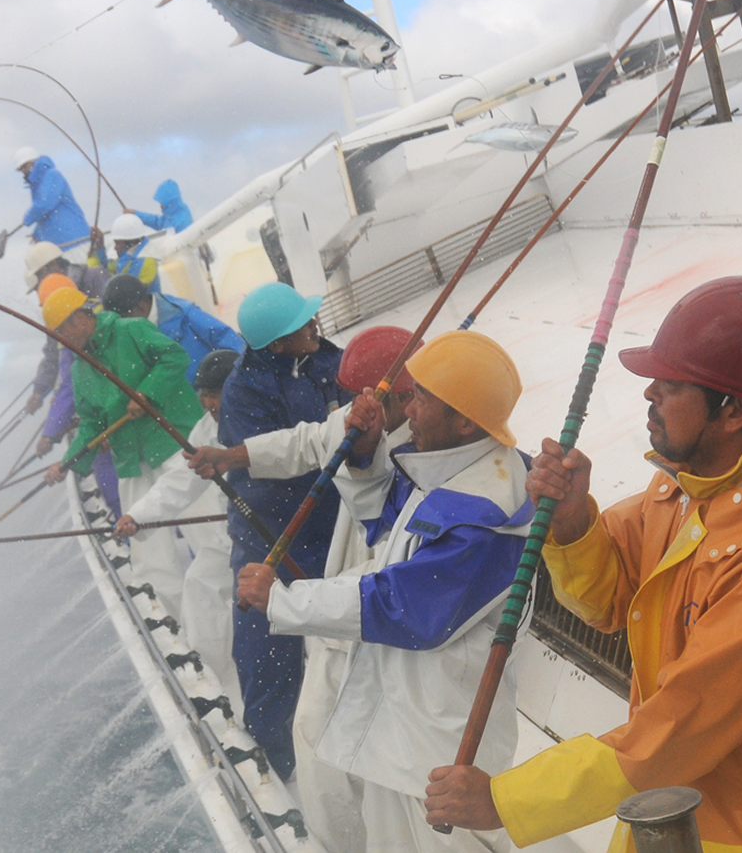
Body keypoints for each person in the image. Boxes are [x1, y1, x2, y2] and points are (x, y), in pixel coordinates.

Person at [423, 277, 742, 853]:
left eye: (669, 387)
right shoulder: (695, 485)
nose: (649, 395)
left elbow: (681, 726)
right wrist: (572, 523)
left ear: (734, 410)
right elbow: (608, 601)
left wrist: (508, 801)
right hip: (681, 809)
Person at [234, 330, 529, 853]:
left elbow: (403, 606)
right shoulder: (448, 466)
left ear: (465, 420)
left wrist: (283, 600)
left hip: (442, 749)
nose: (408, 409)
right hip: (403, 734)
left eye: (422, 399)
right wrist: (367, 456)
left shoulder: (486, 513)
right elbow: (387, 528)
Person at [188, 324, 417, 853]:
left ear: (402, 397)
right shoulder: (365, 416)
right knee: (320, 738)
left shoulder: (423, 453)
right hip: (347, 609)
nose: (352, 409)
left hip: (369, 619)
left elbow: (393, 579)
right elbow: (310, 440)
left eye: (364, 397)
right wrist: (233, 456)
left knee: (330, 740)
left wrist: (287, 601)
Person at [217, 281, 352, 779]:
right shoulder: (243, 392)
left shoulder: (329, 361)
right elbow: (278, 461)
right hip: (270, 532)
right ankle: (274, 760)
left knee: (345, 640)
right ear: (276, 345)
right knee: (265, 650)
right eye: (302, 323)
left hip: (335, 525)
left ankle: (343, 753)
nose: (314, 325)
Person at [44, 287, 205, 620]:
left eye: (62, 333)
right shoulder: (80, 368)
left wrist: (146, 394)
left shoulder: (131, 329)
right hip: (132, 463)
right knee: (151, 563)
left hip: (176, 447)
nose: (64, 343)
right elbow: (91, 422)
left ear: (78, 319)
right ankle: (185, 629)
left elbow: (175, 357)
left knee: (210, 540)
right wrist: (68, 462)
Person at [114, 349, 244, 705]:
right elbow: (181, 481)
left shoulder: (262, 412)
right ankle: (214, 687)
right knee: (199, 585)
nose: (207, 403)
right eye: (203, 395)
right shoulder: (207, 429)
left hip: (281, 529)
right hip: (238, 532)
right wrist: (138, 516)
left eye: (213, 394)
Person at [34, 277, 120, 518]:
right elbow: (88, 411)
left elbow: (69, 390)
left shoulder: (117, 331)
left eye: (61, 331)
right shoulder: (81, 346)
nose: (62, 338)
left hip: (128, 435)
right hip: (110, 429)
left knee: (116, 487)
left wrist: (51, 433)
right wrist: (65, 460)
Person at [100, 274, 245, 384]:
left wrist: (228, 381)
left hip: (213, 390)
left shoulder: (184, 314)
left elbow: (229, 340)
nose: (121, 325)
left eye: (123, 317)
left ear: (141, 306)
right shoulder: (129, 334)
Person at [23, 241, 110, 415]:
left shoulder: (96, 277)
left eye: (39, 279)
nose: (40, 290)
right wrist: (39, 390)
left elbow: (114, 324)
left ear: (52, 265)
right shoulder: (54, 306)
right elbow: (53, 352)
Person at [16, 147, 91, 259]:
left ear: (33, 163)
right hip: (62, 246)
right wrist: (38, 234)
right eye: (21, 169)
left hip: (75, 241)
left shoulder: (51, 175)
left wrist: (27, 219)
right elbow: (46, 215)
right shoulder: (38, 184)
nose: (24, 171)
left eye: (25, 166)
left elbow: (45, 204)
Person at [95, 212, 162, 292]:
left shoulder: (143, 262)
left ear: (131, 243)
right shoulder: (129, 257)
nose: (115, 248)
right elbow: (108, 270)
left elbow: (125, 294)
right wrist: (100, 247)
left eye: (117, 243)